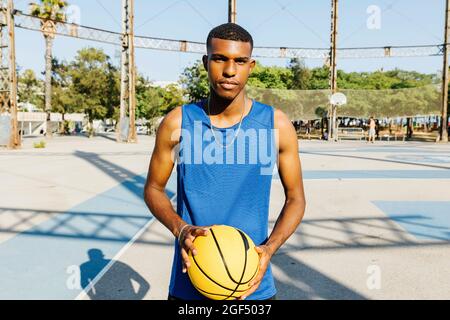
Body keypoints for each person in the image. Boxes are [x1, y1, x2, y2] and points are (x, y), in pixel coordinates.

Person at [143, 23, 306, 301]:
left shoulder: (275, 124)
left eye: (240, 61)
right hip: (191, 283)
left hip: (252, 284)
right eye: (220, 59)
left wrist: (269, 249)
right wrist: (180, 228)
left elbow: (296, 199)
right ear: (206, 62)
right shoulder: (178, 122)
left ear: (251, 65)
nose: (230, 71)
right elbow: (153, 189)